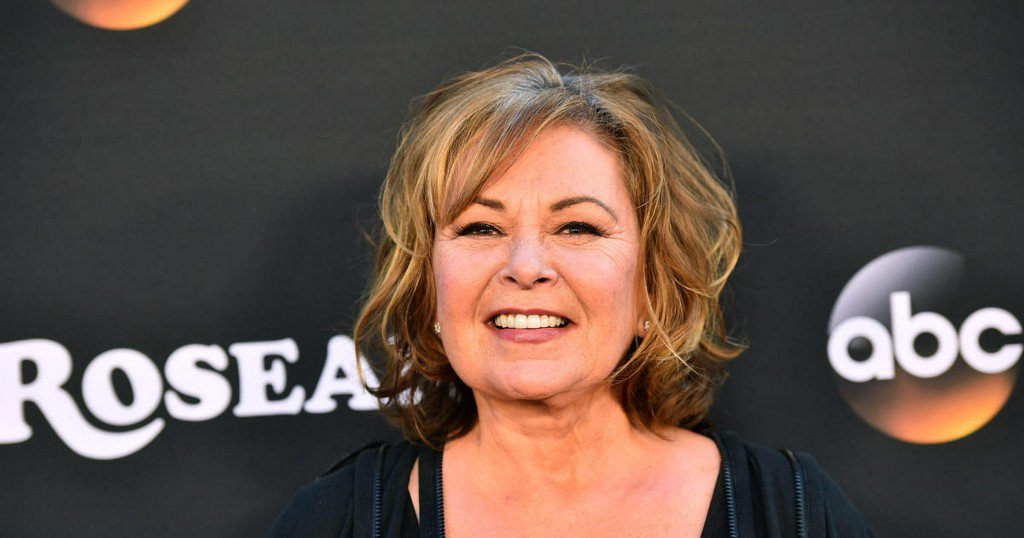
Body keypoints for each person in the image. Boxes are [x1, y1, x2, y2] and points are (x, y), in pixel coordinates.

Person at [269, 53, 874, 537]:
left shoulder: (793, 514)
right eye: (481, 228)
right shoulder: (337, 522)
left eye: (577, 227)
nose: (526, 267)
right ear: (427, 286)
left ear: (650, 287)